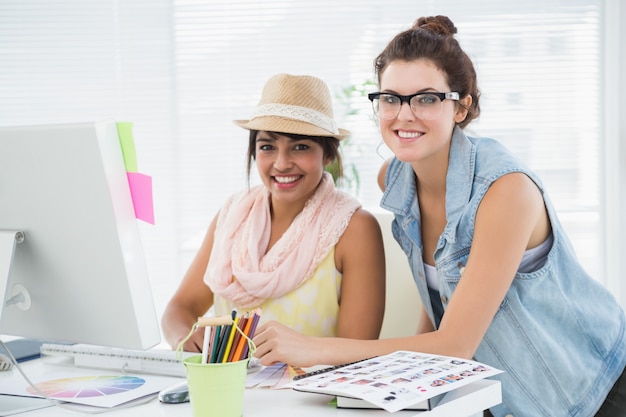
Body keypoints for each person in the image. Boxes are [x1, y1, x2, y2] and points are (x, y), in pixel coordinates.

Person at [252, 16, 626, 417]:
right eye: (391, 98)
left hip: (592, 390)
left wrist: (313, 347)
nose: (404, 115)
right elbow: (442, 300)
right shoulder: (394, 179)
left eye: (427, 99)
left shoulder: (505, 191)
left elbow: (455, 344)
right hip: (505, 399)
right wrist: (412, 387)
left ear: (461, 107)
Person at [161, 73, 386, 353]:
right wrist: (185, 338)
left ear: (327, 155)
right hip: (229, 390)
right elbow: (179, 309)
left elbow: (356, 352)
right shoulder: (232, 215)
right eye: (267, 147)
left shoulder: (354, 229)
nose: (281, 163)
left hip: (311, 395)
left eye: (300, 147)